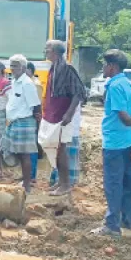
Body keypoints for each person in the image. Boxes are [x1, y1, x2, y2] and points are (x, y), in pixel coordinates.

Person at [91, 49, 131, 238]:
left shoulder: (114, 86)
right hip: (128, 142)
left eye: (104, 64)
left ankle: (112, 225)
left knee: (113, 184)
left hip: (115, 143)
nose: (103, 68)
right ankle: (127, 221)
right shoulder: (130, 85)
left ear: (112, 66)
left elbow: (123, 115)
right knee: (128, 182)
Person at [40, 39, 86, 196]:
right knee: (52, 146)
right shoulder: (54, 68)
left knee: (61, 149)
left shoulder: (67, 68)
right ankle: (60, 181)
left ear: (55, 52)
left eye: (48, 49)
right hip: (52, 115)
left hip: (63, 116)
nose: (45, 51)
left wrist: (69, 113)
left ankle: (65, 184)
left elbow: (78, 93)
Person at [0, 54, 41, 193]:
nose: (12, 68)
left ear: (23, 67)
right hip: (14, 122)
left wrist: (37, 125)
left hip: (25, 122)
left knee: (25, 154)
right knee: (12, 151)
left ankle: (27, 185)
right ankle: (25, 181)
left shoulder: (27, 83)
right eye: (11, 66)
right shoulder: (14, 81)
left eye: (15, 66)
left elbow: (36, 106)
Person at [26, 62, 43, 182]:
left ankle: (31, 176)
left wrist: (37, 120)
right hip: (27, 118)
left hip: (32, 118)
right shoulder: (27, 83)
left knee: (32, 147)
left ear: (30, 70)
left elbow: (37, 105)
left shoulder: (35, 84)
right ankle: (28, 174)